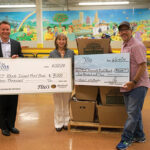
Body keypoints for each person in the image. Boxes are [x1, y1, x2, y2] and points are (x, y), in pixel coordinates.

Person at [116, 21, 150, 150]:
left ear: (131, 31)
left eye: (126, 29)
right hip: (127, 84)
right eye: (121, 30)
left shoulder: (137, 45)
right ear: (119, 33)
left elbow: (142, 65)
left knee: (132, 113)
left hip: (138, 84)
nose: (123, 32)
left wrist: (134, 82)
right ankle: (139, 136)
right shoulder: (124, 45)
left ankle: (126, 139)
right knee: (134, 112)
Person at [49, 33, 75, 132]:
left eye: (63, 39)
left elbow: (75, 67)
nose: (61, 41)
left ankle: (66, 121)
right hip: (56, 82)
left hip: (68, 81)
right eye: (59, 39)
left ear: (66, 41)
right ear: (56, 41)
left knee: (67, 101)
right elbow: (48, 68)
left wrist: (75, 80)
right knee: (58, 103)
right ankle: (58, 122)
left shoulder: (71, 53)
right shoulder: (52, 53)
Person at [0, 21, 22, 136]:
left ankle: (11, 125)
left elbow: (22, 57)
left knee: (13, 103)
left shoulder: (16, 44)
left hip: (14, 79)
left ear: (10, 30)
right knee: (2, 103)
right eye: (3, 29)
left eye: (7, 29)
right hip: (1, 80)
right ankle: (3, 127)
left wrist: (18, 57)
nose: (5, 31)